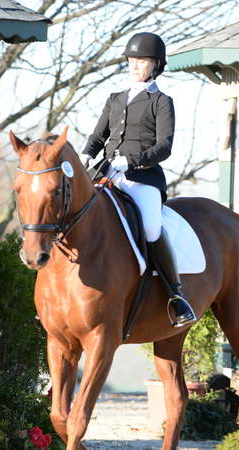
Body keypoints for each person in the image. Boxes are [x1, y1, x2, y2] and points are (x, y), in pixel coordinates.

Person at [81, 32, 196, 328]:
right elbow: (98, 135)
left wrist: (131, 161)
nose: (134, 66)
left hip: (143, 179)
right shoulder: (115, 99)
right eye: (131, 61)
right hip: (107, 174)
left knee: (151, 227)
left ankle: (176, 295)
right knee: (78, 213)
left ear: (156, 65)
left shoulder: (162, 102)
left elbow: (164, 146)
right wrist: (85, 155)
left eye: (140, 61)